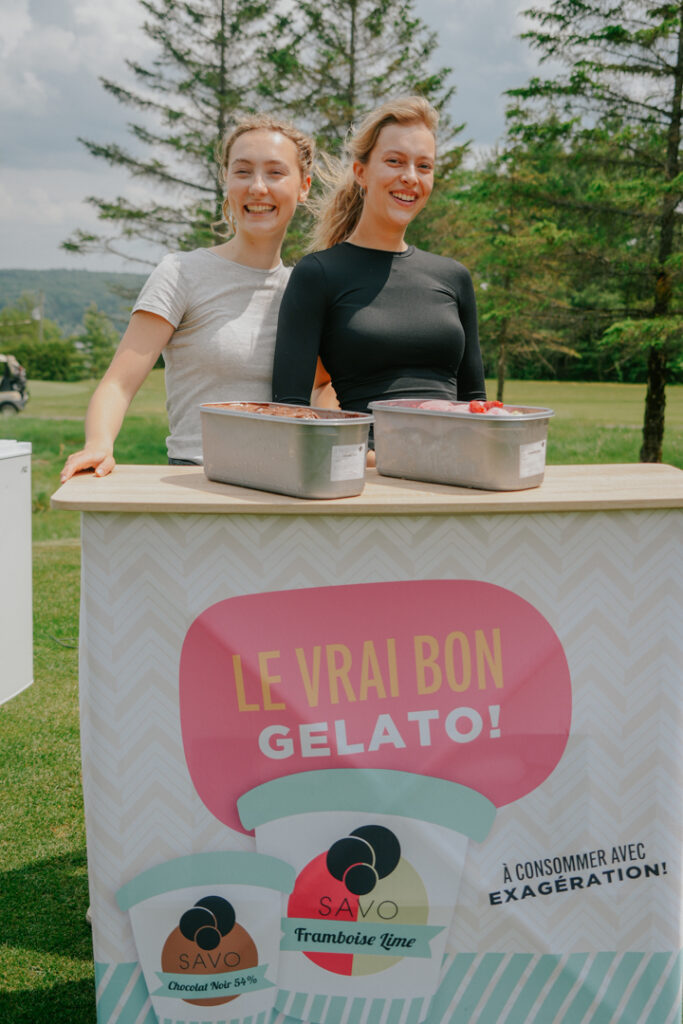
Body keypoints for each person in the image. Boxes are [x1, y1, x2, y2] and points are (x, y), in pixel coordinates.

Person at [61, 114, 313, 481]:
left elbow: (322, 391)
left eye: (275, 173)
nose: (258, 187)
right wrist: (99, 443)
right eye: (243, 172)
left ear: (304, 186)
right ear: (226, 180)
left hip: (287, 487)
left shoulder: (305, 289)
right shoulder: (182, 273)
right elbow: (118, 384)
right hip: (198, 484)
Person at [271, 96, 486, 437]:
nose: (410, 177)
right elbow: (290, 411)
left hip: (453, 462)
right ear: (361, 172)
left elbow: (477, 404)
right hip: (367, 464)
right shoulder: (318, 274)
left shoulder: (453, 277)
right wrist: (369, 457)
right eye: (394, 161)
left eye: (424, 166)